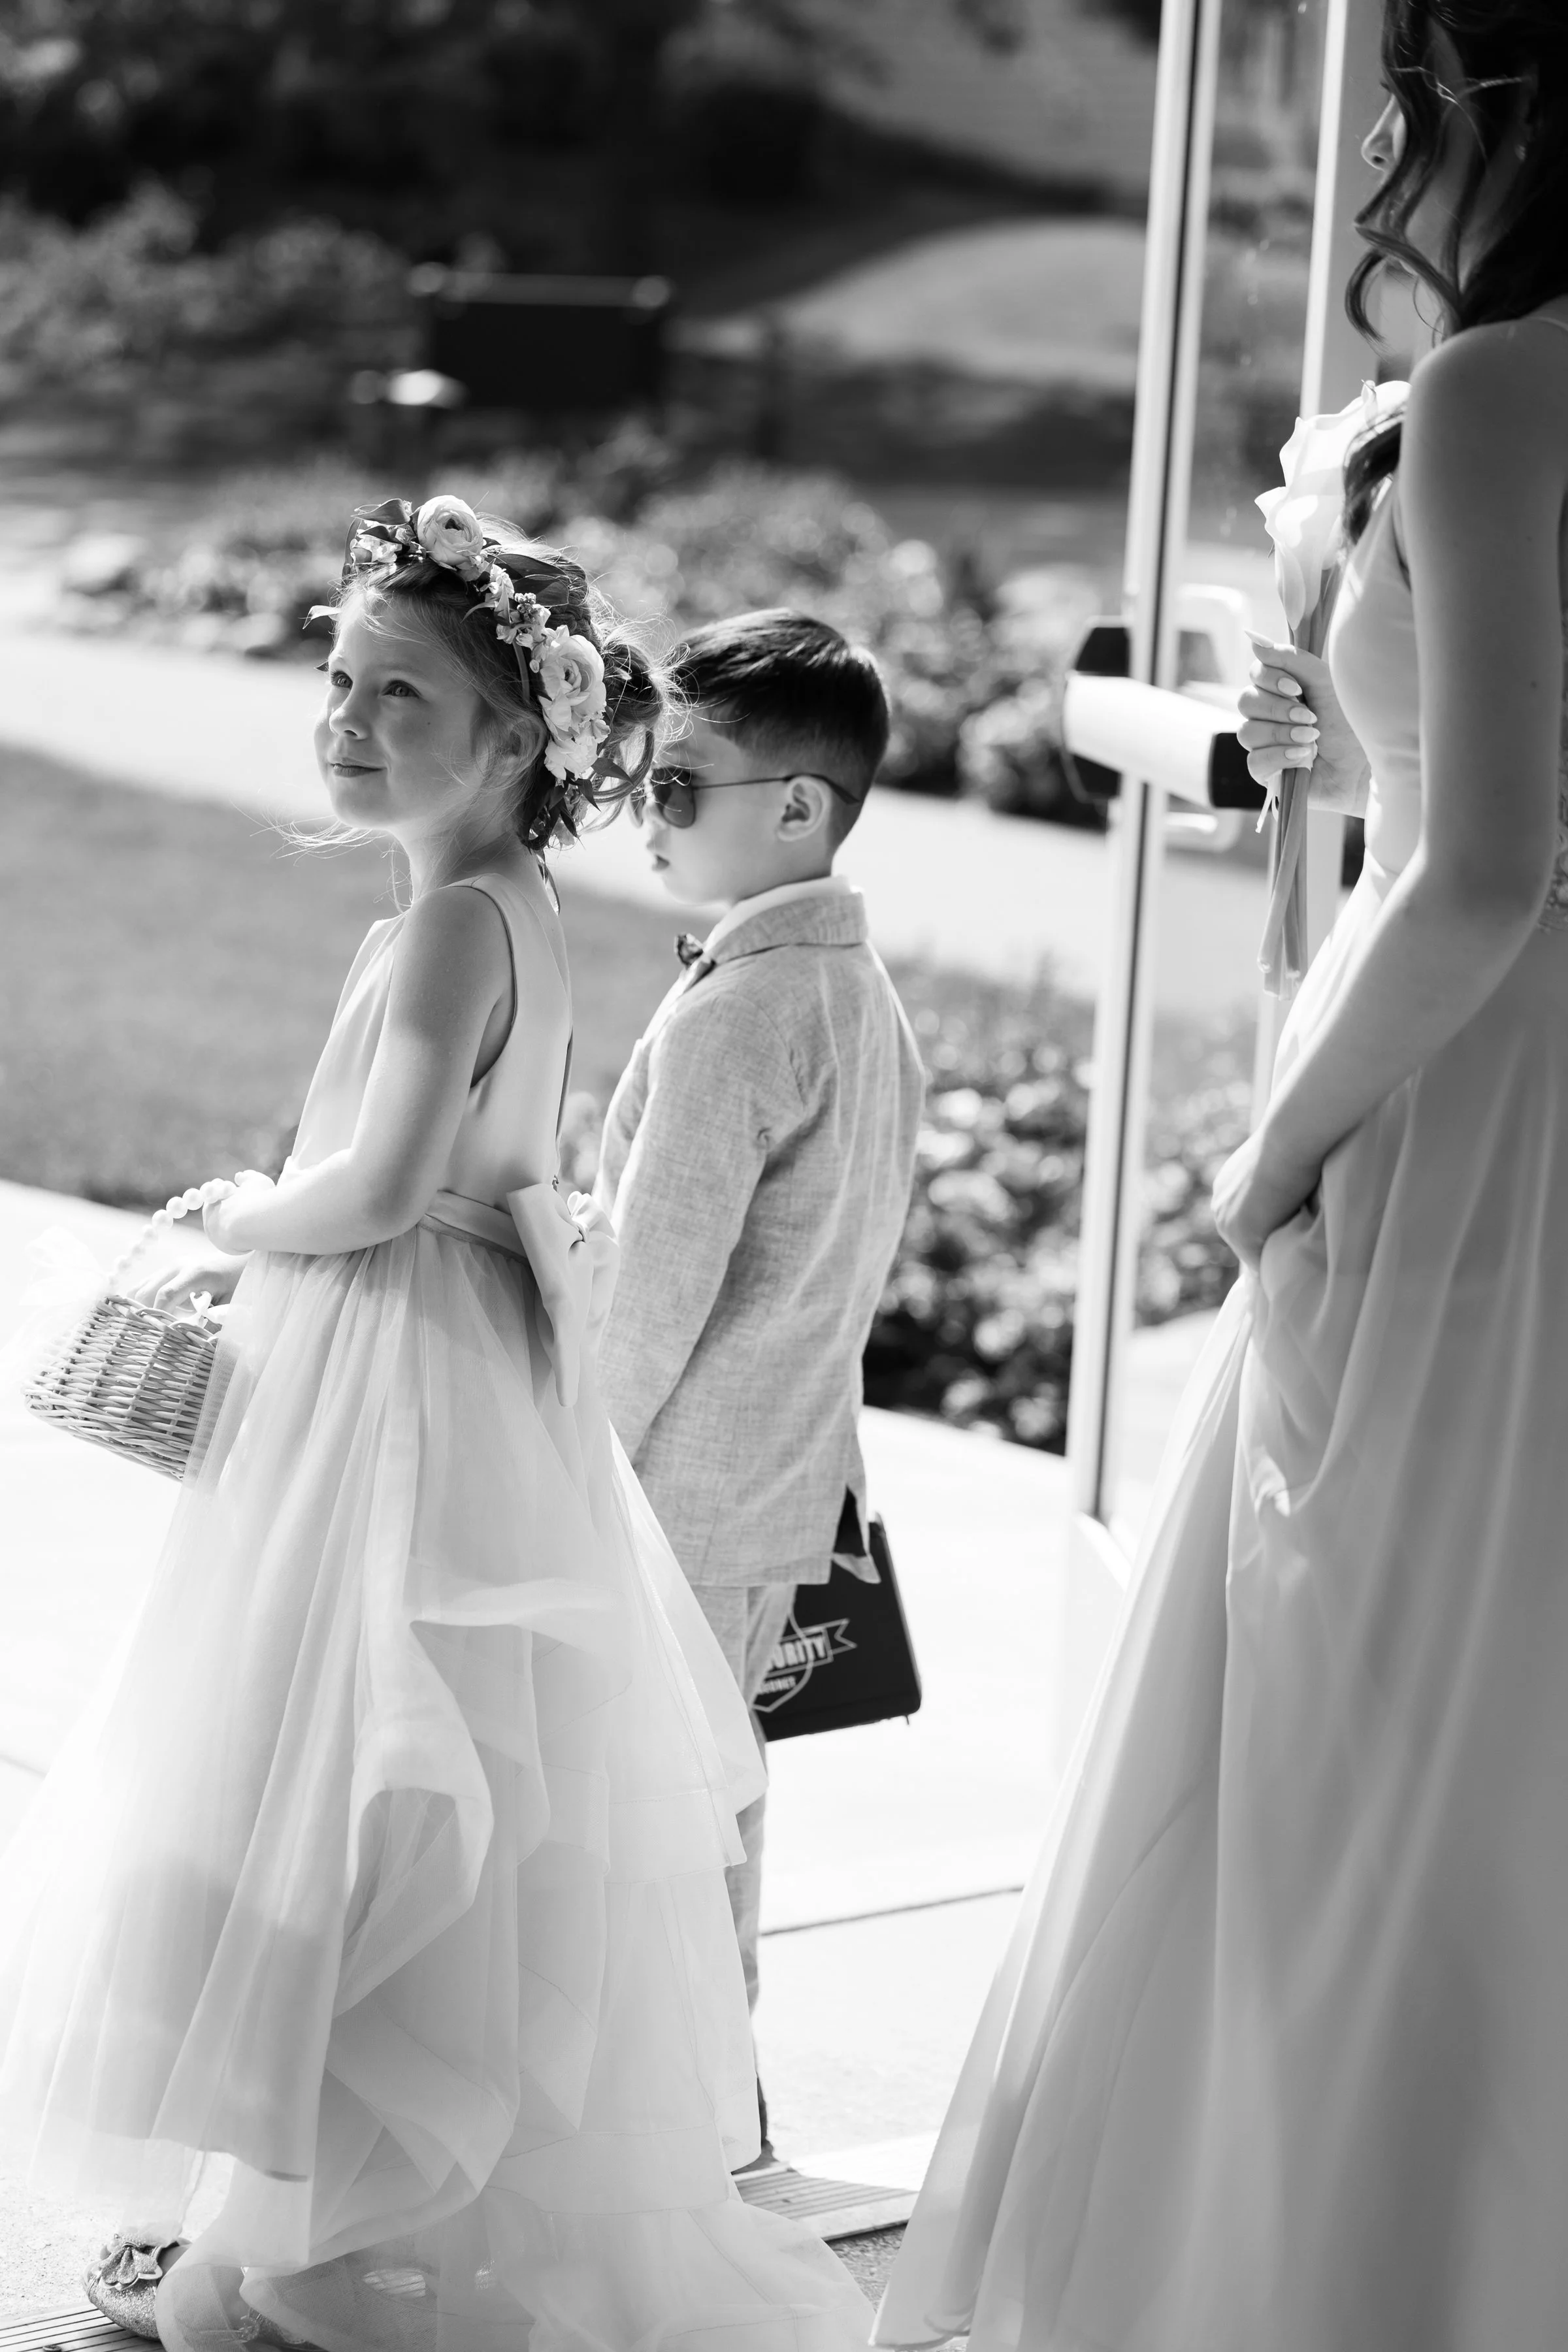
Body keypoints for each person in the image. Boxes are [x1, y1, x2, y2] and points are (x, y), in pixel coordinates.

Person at [875, 5, 1568, 2345]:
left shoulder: (1504, 392)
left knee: (1364, 1755)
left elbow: (1484, 873)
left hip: (1480, 1128)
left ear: (1484, 112)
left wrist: (1269, 1155)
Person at [0, 497, 873, 2352]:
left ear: (513, 740)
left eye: (400, 694)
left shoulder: (447, 936)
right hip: (446, 1356)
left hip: (390, 1369)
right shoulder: (504, 910)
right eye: (338, 677)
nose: (347, 715)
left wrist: (234, 1212)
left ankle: (285, 2226)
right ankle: (304, 2221)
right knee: (393, 1786)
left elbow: (384, 1182)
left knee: (326, 1766)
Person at [593, 611, 924, 2146]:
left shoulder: (739, 1014)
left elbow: (653, 1300)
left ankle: (684, 2135)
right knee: (714, 1816)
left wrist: (565, 1463)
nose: (644, 813)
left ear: (798, 806)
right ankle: (713, 2121)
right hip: (779, 1481)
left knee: (648, 1827)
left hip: (676, 1492)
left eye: (679, 787)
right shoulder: (860, 993)